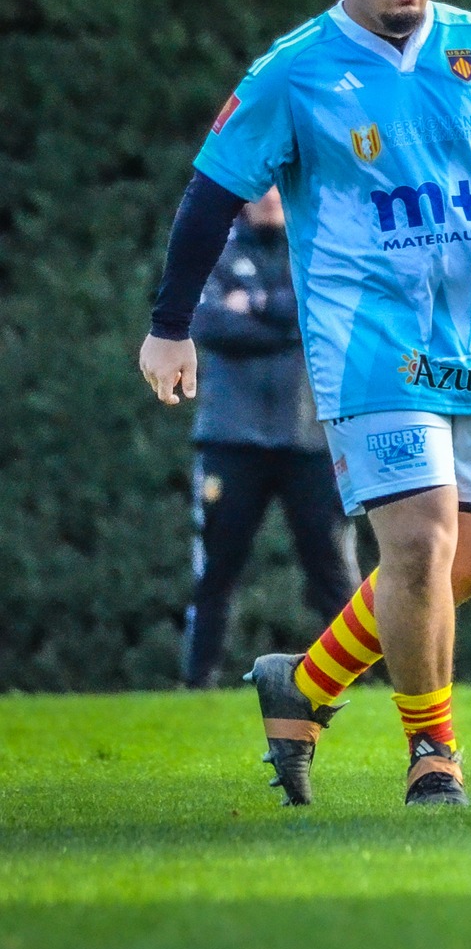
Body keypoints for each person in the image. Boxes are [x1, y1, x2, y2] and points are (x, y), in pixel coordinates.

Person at [139, 0, 471, 807]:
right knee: (419, 542)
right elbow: (211, 196)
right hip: (367, 347)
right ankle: (433, 754)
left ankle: (303, 684)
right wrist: (170, 326)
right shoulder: (294, 70)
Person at [180, 187, 358, 689]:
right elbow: (206, 323)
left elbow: (327, 312)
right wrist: (289, 323)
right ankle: (197, 684)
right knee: (215, 569)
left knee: (333, 571)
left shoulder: (317, 247)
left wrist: (255, 304)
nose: (272, 196)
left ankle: (362, 681)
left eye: (281, 185)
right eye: (262, 186)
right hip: (231, 438)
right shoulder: (215, 249)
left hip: (311, 440)